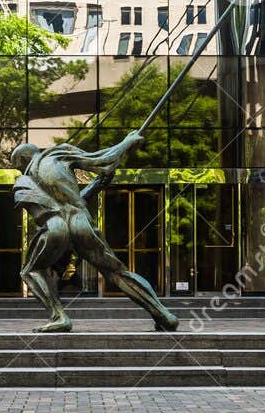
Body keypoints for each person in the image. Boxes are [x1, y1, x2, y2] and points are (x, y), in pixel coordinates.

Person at [10, 130, 178, 333]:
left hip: (55, 227)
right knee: (117, 272)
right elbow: (101, 161)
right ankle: (164, 315)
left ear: (22, 160)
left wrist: (101, 178)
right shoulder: (58, 155)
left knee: (30, 270)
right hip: (79, 221)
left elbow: (51, 210)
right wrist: (125, 143)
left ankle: (59, 317)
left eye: (19, 167)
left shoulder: (23, 183)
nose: (21, 172)